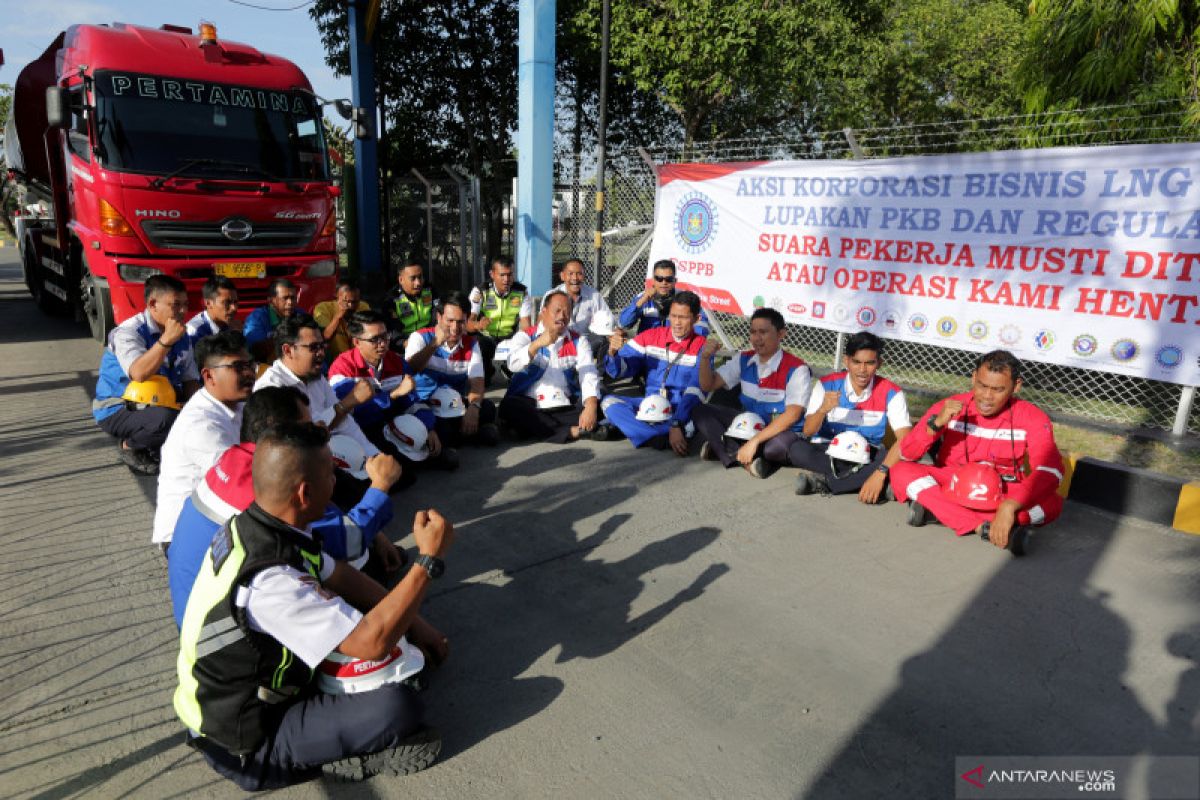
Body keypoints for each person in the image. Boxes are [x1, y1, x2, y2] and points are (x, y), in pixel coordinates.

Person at [174, 422, 453, 789]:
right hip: (245, 740)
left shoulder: (258, 525)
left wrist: (417, 623)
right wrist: (427, 562)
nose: (336, 482)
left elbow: (340, 575)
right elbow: (371, 641)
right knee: (397, 706)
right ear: (305, 493)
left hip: (238, 693)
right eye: (330, 475)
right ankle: (330, 757)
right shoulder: (271, 581)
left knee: (389, 624)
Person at [167, 387, 410, 630]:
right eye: (306, 428)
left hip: (203, 615)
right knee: (360, 568)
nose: (316, 432)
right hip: (227, 637)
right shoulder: (269, 491)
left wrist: (378, 536)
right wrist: (381, 485)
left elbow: (323, 510)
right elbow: (348, 541)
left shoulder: (237, 458)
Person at [890, 350, 1064, 552]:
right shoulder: (950, 406)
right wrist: (936, 424)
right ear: (973, 378)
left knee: (1053, 504)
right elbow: (908, 454)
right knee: (901, 470)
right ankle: (984, 526)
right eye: (982, 386)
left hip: (1003, 490)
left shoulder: (1033, 417)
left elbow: (1051, 471)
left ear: (1016, 386)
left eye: (998, 389)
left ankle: (939, 511)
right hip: (953, 482)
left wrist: (1010, 506)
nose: (987, 397)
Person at [255, 316, 387, 505]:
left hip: (329, 453)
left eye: (322, 346)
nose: (321, 353)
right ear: (288, 350)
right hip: (301, 470)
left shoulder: (316, 377)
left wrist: (373, 455)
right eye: (313, 347)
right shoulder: (271, 389)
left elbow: (344, 422)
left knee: (391, 471)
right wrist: (348, 402)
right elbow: (306, 437)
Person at [152, 331, 255, 550]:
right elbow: (240, 483)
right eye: (238, 367)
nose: (249, 373)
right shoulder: (202, 425)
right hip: (186, 537)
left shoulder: (238, 405)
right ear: (209, 376)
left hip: (219, 518)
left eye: (250, 365)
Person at [92, 274, 199, 475]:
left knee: (199, 415)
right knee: (166, 420)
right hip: (119, 407)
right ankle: (131, 446)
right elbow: (138, 373)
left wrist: (198, 409)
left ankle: (162, 442)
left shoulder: (181, 335)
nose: (183, 311)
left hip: (160, 401)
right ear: (152, 304)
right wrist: (166, 341)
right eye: (176, 305)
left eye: (185, 304)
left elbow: (190, 378)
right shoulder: (127, 332)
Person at [785, 331, 912, 500]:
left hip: (867, 454)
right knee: (797, 449)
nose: (862, 370)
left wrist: (880, 472)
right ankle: (869, 482)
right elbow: (808, 431)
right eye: (856, 362)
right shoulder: (826, 384)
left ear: (879, 363)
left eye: (870, 363)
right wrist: (823, 409)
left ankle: (824, 483)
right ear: (846, 361)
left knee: (891, 459)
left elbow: (905, 439)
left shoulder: (892, 392)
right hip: (830, 451)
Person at [693, 307, 811, 478]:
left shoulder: (797, 368)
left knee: (774, 448)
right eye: (753, 332)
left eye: (763, 332)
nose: (756, 338)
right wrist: (704, 359)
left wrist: (756, 441)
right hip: (746, 427)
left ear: (781, 334)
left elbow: (793, 415)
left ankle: (726, 449)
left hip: (780, 432)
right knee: (700, 410)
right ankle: (745, 458)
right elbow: (708, 385)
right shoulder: (743, 358)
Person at [329, 311, 453, 470]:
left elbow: (414, 402)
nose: (382, 344)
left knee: (442, 426)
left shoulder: (395, 361)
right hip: (362, 430)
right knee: (394, 464)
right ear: (356, 342)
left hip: (393, 424)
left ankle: (422, 455)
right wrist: (394, 394)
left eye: (385, 336)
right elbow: (360, 413)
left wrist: (427, 428)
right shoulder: (342, 368)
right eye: (374, 339)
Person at [598, 290, 707, 454]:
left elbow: (696, 390)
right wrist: (612, 352)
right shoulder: (650, 336)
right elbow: (620, 371)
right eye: (673, 316)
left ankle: (639, 431)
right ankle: (658, 437)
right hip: (649, 404)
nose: (676, 322)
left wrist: (677, 422)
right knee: (609, 402)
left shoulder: (703, 347)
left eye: (683, 318)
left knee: (695, 417)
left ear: (696, 319)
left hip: (679, 408)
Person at [500, 289, 600, 443]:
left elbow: (588, 373)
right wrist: (536, 345)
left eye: (567, 312)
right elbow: (512, 364)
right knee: (509, 406)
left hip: (564, 406)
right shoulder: (525, 336)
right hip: (531, 405)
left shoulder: (578, 341)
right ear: (544, 312)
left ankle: (532, 429)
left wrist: (591, 406)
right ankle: (571, 431)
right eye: (557, 311)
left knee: (598, 402)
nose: (562, 316)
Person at [405, 293, 499, 447]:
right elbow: (411, 368)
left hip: (453, 405)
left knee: (486, 408)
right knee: (442, 430)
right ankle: (466, 436)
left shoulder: (472, 344)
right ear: (439, 317)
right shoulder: (419, 338)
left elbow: (477, 382)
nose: (455, 328)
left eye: (461, 322)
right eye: (450, 321)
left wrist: (474, 409)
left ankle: (461, 435)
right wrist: (435, 344)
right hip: (425, 404)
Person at [466, 256, 533, 383]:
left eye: (510, 275)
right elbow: (467, 324)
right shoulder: (480, 291)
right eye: (502, 275)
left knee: (519, 379)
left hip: (509, 337)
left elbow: (526, 325)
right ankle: (487, 370)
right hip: (486, 337)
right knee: (482, 380)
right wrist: (478, 325)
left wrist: (524, 344)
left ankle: (508, 367)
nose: (506, 279)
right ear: (492, 274)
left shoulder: (521, 292)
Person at [619, 259, 710, 337]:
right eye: (659, 278)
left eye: (668, 279)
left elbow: (702, 327)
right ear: (653, 280)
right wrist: (640, 303)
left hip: (676, 349)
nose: (664, 283)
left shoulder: (685, 299)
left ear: (675, 281)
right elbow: (624, 324)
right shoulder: (642, 297)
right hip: (648, 349)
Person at [545, 258, 616, 360]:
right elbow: (543, 324)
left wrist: (614, 336)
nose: (575, 278)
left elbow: (608, 320)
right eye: (570, 273)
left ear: (584, 276)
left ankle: (600, 374)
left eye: (579, 274)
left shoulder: (594, 295)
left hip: (585, 342)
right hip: (559, 341)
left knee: (603, 340)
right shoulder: (552, 296)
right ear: (562, 276)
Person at [243, 278, 303, 362]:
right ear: (271, 300)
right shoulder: (257, 318)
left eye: (293, 298)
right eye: (285, 298)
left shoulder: (301, 315)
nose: (290, 302)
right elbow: (256, 350)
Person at [313, 276, 371, 361]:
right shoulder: (323, 308)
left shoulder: (363, 307)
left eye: (355, 302)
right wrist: (338, 316)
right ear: (336, 295)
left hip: (359, 359)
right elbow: (325, 337)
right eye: (346, 301)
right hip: (333, 360)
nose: (350, 306)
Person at [386, 260, 438, 345]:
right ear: (401, 279)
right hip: (405, 342)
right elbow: (391, 331)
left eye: (420, 277)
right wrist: (406, 343)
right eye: (412, 278)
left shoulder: (430, 290)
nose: (418, 283)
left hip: (430, 337)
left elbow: (438, 314)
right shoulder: (392, 299)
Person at [185, 276, 240, 347]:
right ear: (208, 303)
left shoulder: (229, 326)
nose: (234, 308)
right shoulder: (194, 332)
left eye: (235, 302)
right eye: (227, 302)